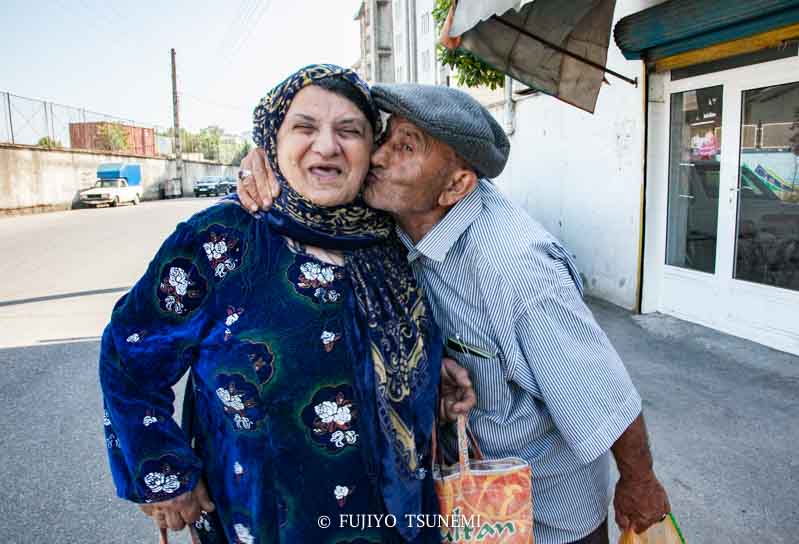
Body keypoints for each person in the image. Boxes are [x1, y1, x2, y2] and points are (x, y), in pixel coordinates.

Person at [238, 83, 672, 544]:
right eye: (385, 136)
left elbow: (603, 398)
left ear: (456, 185)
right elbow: (317, 153)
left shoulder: (516, 270)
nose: (380, 156)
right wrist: (261, 157)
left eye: (407, 146)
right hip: (464, 493)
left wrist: (639, 481)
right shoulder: (393, 214)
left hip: (547, 513)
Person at [99, 65, 474, 544]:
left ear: (370, 150)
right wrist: (164, 472)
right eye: (304, 127)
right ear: (272, 140)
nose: (326, 146)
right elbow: (129, 354)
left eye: (350, 130)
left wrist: (429, 373)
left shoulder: (390, 238)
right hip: (264, 522)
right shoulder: (223, 239)